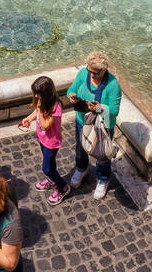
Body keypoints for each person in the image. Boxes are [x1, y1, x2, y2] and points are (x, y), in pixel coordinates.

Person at [66, 51, 122, 199]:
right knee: (81, 147)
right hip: (82, 121)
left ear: (103, 70)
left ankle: (103, 179)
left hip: (103, 126)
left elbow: (114, 111)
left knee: (102, 154)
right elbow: (71, 90)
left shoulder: (113, 85)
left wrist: (99, 108)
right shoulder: (83, 74)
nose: (91, 75)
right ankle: (81, 168)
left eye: (95, 73)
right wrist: (71, 97)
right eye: (90, 71)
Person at [18, 74, 68, 204]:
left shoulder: (56, 107)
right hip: (42, 140)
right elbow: (36, 112)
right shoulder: (43, 102)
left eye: (37, 94)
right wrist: (29, 118)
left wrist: (39, 109)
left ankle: (62, 187)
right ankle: (52, 179)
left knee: (47, 168)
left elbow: (45, 126)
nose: (35, 97)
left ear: (46, 94)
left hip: (52, 143)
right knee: (51, 166)